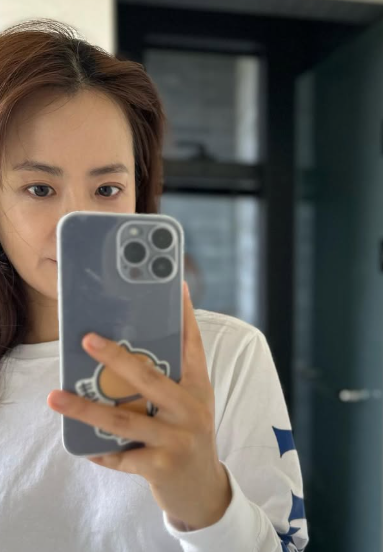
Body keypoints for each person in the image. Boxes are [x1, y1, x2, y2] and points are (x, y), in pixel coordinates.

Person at [0, 18, 308, 552]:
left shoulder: (225, 355)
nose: (76, 221)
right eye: (40, 188)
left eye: (107, 188)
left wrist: (207, 503)